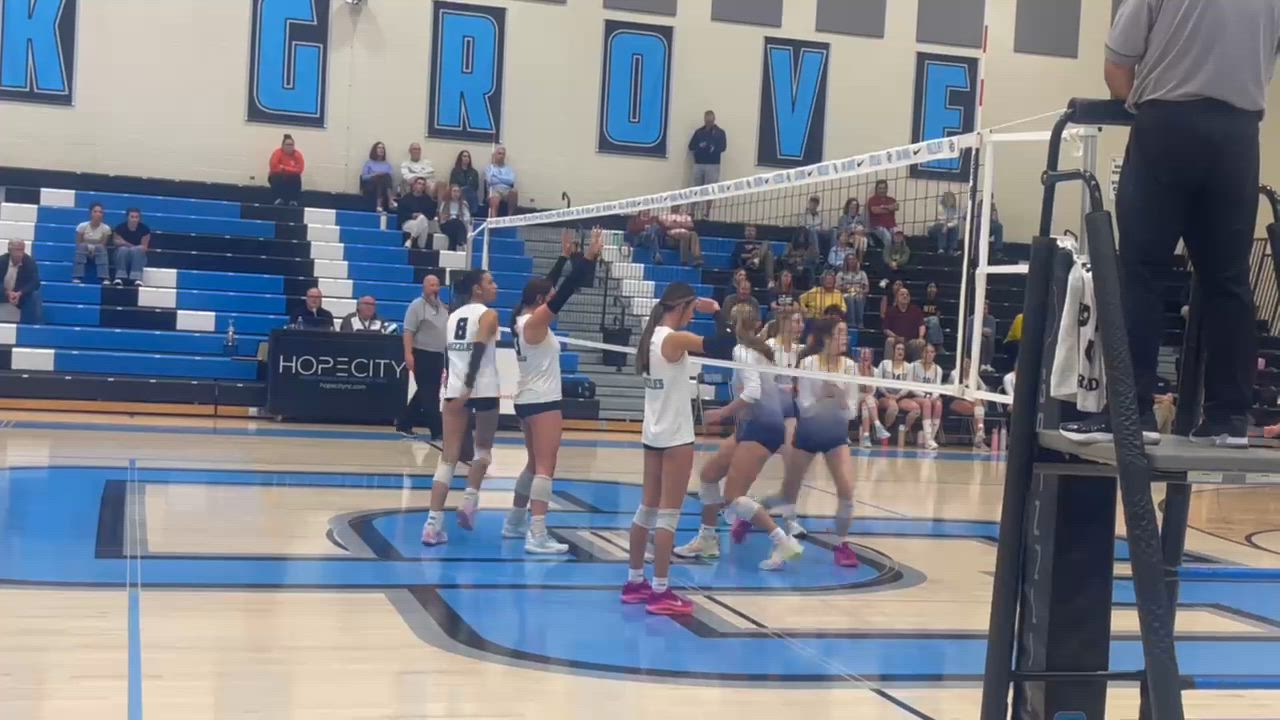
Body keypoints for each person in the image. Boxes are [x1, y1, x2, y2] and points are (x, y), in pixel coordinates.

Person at [1060, 1, 1280, 448]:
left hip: (1166, 125)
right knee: (1229, 280)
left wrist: (1149, 107)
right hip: (1239, 137)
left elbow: (1116, 70)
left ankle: (1132, 412)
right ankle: (1228, 418)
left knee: (1139, 272)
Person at [673, 304, 805, 571]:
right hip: (751, 425)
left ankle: (783, 541)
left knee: (733, 497)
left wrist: (721, 412)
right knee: (709, 475)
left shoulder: (743, 350)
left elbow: (753, 393)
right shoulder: (760, 350)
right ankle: (707, 540)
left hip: (761, 427)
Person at [622, 283, 723, 615]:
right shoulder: (674, 339)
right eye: (691, 310)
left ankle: (635, 582)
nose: (692, 316)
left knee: (646, 509)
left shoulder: (651, 337)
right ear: (680, 307)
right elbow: (723, 345)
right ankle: (661, 591)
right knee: (668, 515)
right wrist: (717, 313)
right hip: (676, 438)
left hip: (653, 435)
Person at [504, 229, 603, 554]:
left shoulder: (521, 319)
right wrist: (586, 258)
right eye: (547, 296)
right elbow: (563, 293)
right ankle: (537, 534)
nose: (551, 297)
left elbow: (548, 288)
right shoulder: (534, 325)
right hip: (543, 402)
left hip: (527, 400)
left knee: (534, 465)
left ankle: (514, 523)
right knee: (545, 468)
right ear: (539, 301)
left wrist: (563, 257)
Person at [422, 270, 502, 546]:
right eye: (490, 282)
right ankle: (469, 502)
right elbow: (478, 348)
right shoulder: (489, 315)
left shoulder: (452, 316)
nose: (495, 286)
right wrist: (469, 383)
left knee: (448, 458)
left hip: (454, 389)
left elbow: (451, 355)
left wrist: (457, 386)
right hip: (482, 387)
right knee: (483, 451)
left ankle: (432, 524)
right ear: (477, 289)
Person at [780, 318, 861, 567]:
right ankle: (766, 517)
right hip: (809, 433)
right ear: (827, 337)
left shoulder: (850, 367)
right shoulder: (808, 364)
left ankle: (842, 544)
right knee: (790, 487)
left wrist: (839, 397)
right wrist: (822, 395)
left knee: (847, 489)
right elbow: (804, 408)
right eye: (840, 333)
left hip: (835, 435)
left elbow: (852, 413)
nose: (845, 338)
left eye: (846, 333)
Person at [757, 308, 807, 536]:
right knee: (749, 465)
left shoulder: (800, 352)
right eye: (796, 321)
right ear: (784, 323)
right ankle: (738, 504)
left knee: (792, 466)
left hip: (788, 413)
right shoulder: (769, 347)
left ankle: (791, 519)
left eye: (801, 322)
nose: (800, 326)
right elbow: (761, 380)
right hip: (766, 412)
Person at [396, 275, 448, 439]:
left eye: (437, 285)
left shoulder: (442, 306)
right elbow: (408, 331)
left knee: (425, 392)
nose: (435, 288)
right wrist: (408, 354)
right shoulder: (416, 306)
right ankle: (438, 431)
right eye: (431, 285)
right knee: (429, 395)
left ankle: (404, 423)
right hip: (422, 354)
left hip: (437, 355)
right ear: (424, 287)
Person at [688, 110, 727, 219]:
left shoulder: (720, 133)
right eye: (707, 121)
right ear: (704, 120)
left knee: (710, 190)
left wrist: (713, 148)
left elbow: (723, 147)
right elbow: (691, 146)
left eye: (710, 121)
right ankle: (692, 212)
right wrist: (700, 147)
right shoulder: (699, 132)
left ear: (714, 120)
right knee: (695, 189)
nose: (709, 123)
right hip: (699, 164)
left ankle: (707, 213)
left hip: (713, 165)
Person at [909, 344, 945, 450]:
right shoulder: (913, 366)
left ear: (935, 354)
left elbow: (937, 387)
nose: (929, 354)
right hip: (915, 395)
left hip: (930, 396)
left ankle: (930, 439)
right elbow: (910, 387)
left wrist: (934, 396)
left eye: (932, 352)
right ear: (922, 353)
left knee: (938, 404)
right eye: (926, 352)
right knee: (927, 403)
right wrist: (924, 395)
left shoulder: (938, 369)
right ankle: (929, 439)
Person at [949, 357, 990, 450]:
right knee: (977, 408)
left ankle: (979, 436)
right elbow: (959, 391)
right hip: (955, 400)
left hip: (971, 402)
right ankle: (980, 433)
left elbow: (984, 388)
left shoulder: (973, 375)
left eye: (969, 363)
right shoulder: (954, 373)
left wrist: (982, 396)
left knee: (977, 404)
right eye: (965, 363)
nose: (967, 365)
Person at [0, 239, 42, 324]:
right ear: (9, 250)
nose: (20, 254)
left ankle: (29, 327)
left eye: (22, 250)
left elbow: (35, 283)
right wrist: (7, 293)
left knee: (34, 297)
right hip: (2, 293)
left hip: (20, 295)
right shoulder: (1, 261)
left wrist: (20, 293)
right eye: (17, 250)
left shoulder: (30, 262)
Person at [856, 348, 890, 448]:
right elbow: (854, 389)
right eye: (863, 354)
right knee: (868, 398)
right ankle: (878, 425)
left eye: (868, 355)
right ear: (859, 357)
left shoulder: (875, 371)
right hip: (854, 399)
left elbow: (871, 390)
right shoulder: (853, 368)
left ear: (871, 358)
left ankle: (866, 437)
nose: (866, 356)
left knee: (865, 405)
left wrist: (867, 372)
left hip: (867, 400)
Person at [882, 286, 925, 361]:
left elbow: (921, 325)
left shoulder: (915, 310)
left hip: (911, 342)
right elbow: (886, 329)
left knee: (920, 343)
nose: (905, 296)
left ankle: (917, 367)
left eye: (907, 295)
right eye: (902, 294)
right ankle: (888, 366)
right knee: (890, 340)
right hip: (896, 341)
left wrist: (921, 337)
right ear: (897, 298)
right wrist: (896, 337)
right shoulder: (890, 310)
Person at [877, 340, 911, 432]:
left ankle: (904, 432)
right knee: (893, 408)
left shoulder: (909, 367)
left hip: (900, 397)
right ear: (893, 351)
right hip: (885, 396)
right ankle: (884, 431)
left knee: (916, 409)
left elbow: (908, 385)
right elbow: (878, 383)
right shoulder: (884, 364)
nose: (900, 351)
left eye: (902, 350)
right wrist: (887, 394)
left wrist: (898, 396)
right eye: (898, 349)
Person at [73, 203, 111, 284]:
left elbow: (103, 244)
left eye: (100, 212)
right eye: (95, 211)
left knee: (100, 248)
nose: (98, 214)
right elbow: (79, 243)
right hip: (84, 251)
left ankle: (104, 277)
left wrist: (93, 251)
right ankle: (77, 277)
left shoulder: (106, 228)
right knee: (82, 246)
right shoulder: (82, 226)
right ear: (90, 213)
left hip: (98, 252)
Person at [110, 208, 149, 287]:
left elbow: (144, 248)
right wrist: (130, 247)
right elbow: (116, 243)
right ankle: (120, 277)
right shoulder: (119, 228)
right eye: (132, 217)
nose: (134, 219)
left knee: (137, 249)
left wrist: (125, 243)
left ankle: (137, 278)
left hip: (138, 257)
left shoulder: (145, 229)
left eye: (136, 217)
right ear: (127, 217)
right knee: (123, 249)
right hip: (121, 256)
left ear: (139, 218)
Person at [398, 177, 439, 250]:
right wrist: (412, 215)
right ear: (414, 185)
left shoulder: (427, 199)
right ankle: (421, 246)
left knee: (422, 219)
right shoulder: (406, 198)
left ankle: (411, 240)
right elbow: (401, 214)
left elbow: (431, 215)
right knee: (423, 225)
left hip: (423, 222)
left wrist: (421, 215)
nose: (421, 186)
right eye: (419, 183)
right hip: (408, 222)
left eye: (423, 184)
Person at [268, 134, 304, 206]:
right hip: (279, 177)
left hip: (291, 177)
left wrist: (284, 168)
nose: (289, 147)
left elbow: (300, 170)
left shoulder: (297, 155)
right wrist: (291, 169)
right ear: (282, 145)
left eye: (291, 145)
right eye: (287, 144)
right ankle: (278, 199)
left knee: (296, 177)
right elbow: (274, 167)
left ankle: (293, 201)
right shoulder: (277, 153)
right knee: (276, 176)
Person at [361, 141, 396, 213]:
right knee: (379, 178)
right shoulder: (369, 163)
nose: (381, 150)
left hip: (383, 186)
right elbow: (364, 177)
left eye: (383, 148)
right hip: (370, 186)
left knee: (385, 176)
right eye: (379, 148)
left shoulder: (387, 164)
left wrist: (381, 175)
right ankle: (388, 202)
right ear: (375, 150)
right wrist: (375, 174)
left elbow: (390, 178)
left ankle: (385, 203)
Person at [836, 255, 869, 329]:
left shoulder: (862, 273)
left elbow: (867, 289)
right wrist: (844, 288)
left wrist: (861, 291)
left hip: (859, 293)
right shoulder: (840, 274)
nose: (852, 261)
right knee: (849, 297)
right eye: (849, 259)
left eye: (854, 259)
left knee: (858, 298)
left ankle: (860, 322)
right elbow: (837, 288)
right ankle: (851, 322)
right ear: (846, 262)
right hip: (845, 293)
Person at [485, 146, 518, 218]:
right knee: (495, 199)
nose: (502, 156)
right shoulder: (490, 168)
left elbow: (511, 181)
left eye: (503, 154)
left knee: (514, 192)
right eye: (499, 153)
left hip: (507, 190)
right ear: (495, 155)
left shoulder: (509, 169)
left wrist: (497, 176)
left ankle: (510, 218)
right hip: (494, 189)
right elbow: (490, 180)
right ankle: (494, 221)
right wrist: (504, 179)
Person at [438, 184, 472, 252]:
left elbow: (467, 218)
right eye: (454, 191)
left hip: (458, 225)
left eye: (458, 191)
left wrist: (459, 218)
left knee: (456, 224)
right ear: (450, 192)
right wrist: (452, 218)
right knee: (456, 222)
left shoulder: (463, 204)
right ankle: (462, 243)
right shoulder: (445, 203)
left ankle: (451, 248)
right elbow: (441, 217)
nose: (456, 193)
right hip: (446, 225)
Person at [867, 179, 899, 248]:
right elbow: (875, 210)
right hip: (877, 227)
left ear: (887, 189)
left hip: (892, 226)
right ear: (876, 189)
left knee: (900, 236)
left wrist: (882, 208)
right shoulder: (872, 200)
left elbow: (896, 207)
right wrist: (889, 208)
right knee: (888, 237)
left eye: (884, 188)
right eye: (880, 188)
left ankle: (899, 254)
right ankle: (887, 254)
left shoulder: (891, 199)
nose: (882, 190)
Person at [966, 300, 997, 372]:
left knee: (989, 340)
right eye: (982, 309)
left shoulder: (991, 319)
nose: (984, 311)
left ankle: (988, 364)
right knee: (983, 340)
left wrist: (980, 330)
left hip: (988, 341)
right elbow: (970, 335)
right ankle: (982, 364)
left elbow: (991, 333)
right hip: (973, 344)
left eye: (985, 308)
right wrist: (983, 331)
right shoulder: (971, 319)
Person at [921, 282, 944, 346]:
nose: (931, 289)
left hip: (933, 323)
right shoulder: (921, 301)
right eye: (930, 287)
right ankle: (936, 345)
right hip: (923, 322)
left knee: (935, 322)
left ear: (936, 290)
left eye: (933, 287)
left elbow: (938, 316)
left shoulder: (939, 302)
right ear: (926, 289)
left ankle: (931, 344)